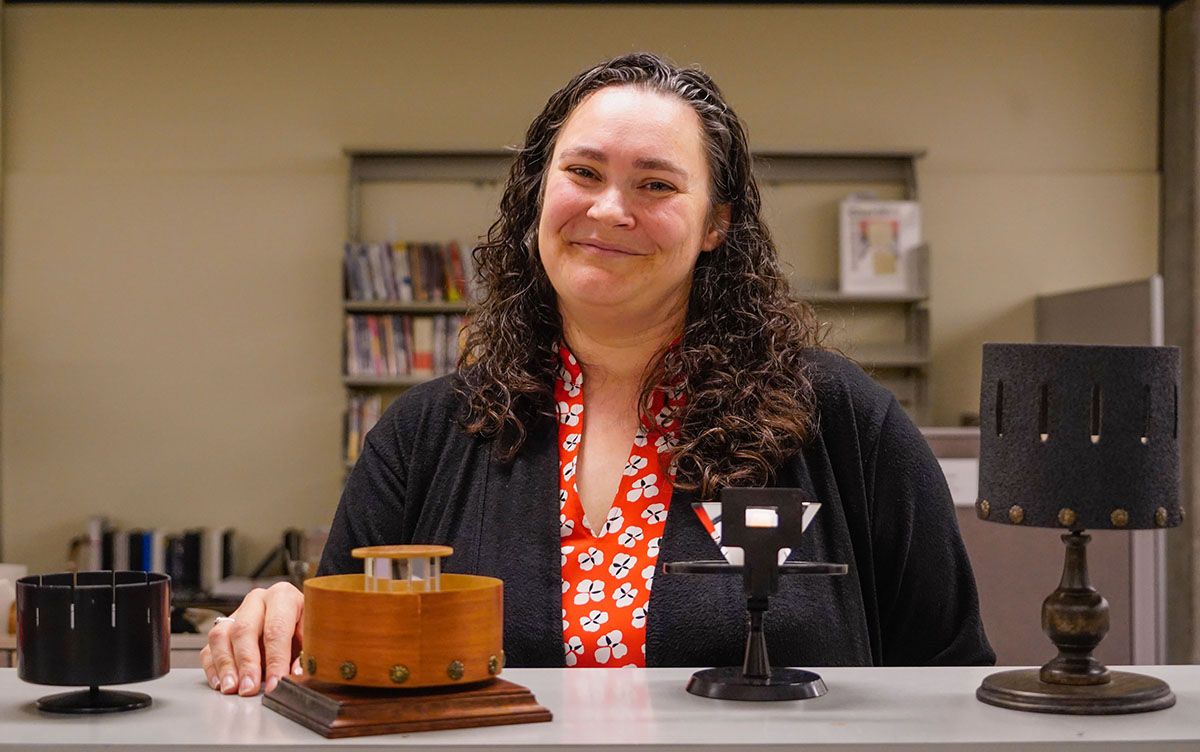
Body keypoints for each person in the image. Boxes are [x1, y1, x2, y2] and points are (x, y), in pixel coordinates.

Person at [202, 52, 994, 696]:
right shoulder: (423, 435)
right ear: (538, 194)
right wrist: (282, 617)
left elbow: (952, 676)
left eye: (656, 184)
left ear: (717, 224)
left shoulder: (844, 421)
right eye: (582, 172)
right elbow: (340, 661)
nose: (611, 209)